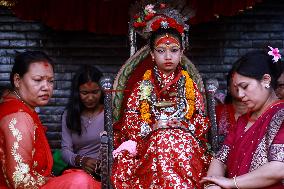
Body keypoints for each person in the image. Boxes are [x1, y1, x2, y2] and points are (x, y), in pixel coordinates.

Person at [111, 2, 211, 188]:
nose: (168, 56)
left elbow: (201, 120)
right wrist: (153, 127)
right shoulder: (143, 85)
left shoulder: (189, 84)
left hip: (185, 138)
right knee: (162, 141)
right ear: (152, 54)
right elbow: (130, 119)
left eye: (173, 51)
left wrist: (183, 125)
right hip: (151, 140)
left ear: (181, 53)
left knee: (177, 141)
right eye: (161, 51)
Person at [0, 51, 100, 188]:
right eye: (37, 80)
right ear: (17, 80)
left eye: (50, 81)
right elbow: (20, 181)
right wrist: (62, 180)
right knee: (80, 181)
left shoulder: (21, 109)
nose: (46, 87)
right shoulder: (18, 117)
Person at [201, 49, 284, 189]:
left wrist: (231, 183)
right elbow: (221, 159)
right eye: (237, 88)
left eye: (244, 87)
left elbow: (279, 168)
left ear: (266, 80)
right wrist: (213, 184)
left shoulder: (281, 115)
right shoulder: (243, 121)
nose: (240, 95)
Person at [61, 65, 104, 181]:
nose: (90, 98)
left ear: (102, 90)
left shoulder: (110, 113)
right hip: (79, 170)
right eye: (84, 93)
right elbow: (65, 151)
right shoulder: (69, 115)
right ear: (77, 92)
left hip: (106, 171)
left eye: (95, 92)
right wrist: (81, 161)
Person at [215, 65, 248, 147]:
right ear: (228, 88)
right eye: (235, 82)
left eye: (243, 83)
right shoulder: (217, 112)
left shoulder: (259, 112)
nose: (239, 86)